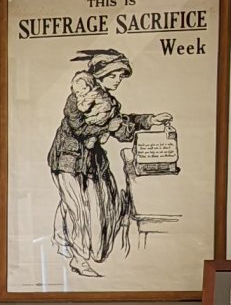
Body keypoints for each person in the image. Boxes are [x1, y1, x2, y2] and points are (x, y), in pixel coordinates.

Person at [48, 48, 171, 277]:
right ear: (101, 75)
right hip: (68, 159)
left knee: (93, 210)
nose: (118, 81)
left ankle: (69, 245)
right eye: (113, 75)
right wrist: (109, 127)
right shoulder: (79, 98)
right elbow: (80, 129)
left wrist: (150, 120)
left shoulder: (109, 103)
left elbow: (121, 123)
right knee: (77, 210)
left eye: (120, 77)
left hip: (91, 163)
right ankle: (79, 260)